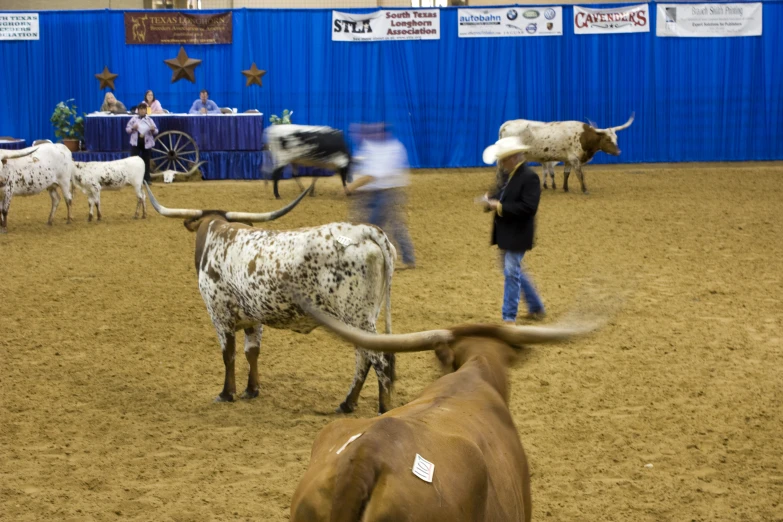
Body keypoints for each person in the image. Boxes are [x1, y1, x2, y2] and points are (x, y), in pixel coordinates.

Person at [480, 136, 545, 324]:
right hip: (507, 233)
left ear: (513, 158)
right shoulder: (508, 176)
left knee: (511, 272)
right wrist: (489, 200)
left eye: (503, 159)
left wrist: (498, 206)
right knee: (513, 271)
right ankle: (536, 306)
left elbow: (528, 208)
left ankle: (508, 317)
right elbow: (500, 196)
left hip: (518, 233)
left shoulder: (529, 177)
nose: (500, 162)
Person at [345, 122, 416, 270]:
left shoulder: (393, 148)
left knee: (376, 226)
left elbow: (372, 175)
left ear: (383, 134)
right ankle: (406, 258)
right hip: (371, 193)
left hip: (388, 192)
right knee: (376, 224)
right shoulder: (372, 147)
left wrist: (351, 186)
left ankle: (385, 258)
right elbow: (362, 169)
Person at [126, 104, 159, 184]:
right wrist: (133, 128)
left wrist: (152, 130)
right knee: (133, 162)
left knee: (146, 162)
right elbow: (127, 129)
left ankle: (146, 179)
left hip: (146, 143)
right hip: (135, 143)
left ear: (146, 110)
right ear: (138, 110)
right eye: (140, 109)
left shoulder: (149, 120)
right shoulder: (133, 119)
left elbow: (156, 131)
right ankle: (133, 180)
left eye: (144, 109)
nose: (142, 111)